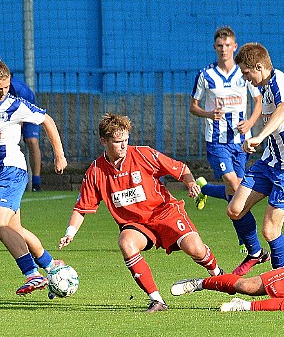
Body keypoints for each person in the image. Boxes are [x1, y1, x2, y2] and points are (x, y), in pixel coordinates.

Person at [58, 113, 224, 313]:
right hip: (137, 225)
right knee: (126, 242)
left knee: (196, 249)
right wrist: (70, 233)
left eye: (126, 141)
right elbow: (82, 207)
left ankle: (217, 274)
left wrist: (190, 184)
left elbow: (180, 169)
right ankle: (157, 301)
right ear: (104, 141)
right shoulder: (95, 171)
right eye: (118, 142)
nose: (123, 146)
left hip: (165, 213)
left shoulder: (143, 154)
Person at [228, 42, 284, 273]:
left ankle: (282, 282)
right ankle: (256, 254)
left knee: (270, 230)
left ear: (259, 67)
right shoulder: (269, 84)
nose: (245, 77)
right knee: (235, 209)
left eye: (246, 73)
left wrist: (259, 136)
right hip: (270, 163)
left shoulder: (278, 83)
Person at [0, 56, 68, 295]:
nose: (2, 92)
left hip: (10, 169)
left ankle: (32, 274)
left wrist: (59, 154)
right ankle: (52, 266)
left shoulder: (13, 105)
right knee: (15, 229)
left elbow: (47, 120)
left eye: (5, 87)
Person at [190, 26, 267, 267]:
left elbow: (258, 102)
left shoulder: (243, 74)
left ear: (235, 47)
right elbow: (193, 106)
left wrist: (251, 123)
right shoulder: (206, 75)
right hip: (217, 142)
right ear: (215, 48)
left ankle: (204, 190)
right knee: (236, 187)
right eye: (220, 46)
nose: (224, 50)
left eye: (228, 45)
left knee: (236, 194)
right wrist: (207, 113)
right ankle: (254, 247)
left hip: (240, 142)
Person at [0, 48, 43, 191]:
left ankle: (36, 181)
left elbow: (23, 108)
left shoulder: (16, 88)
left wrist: (19, 122)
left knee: (31, 141)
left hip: (23, 108)